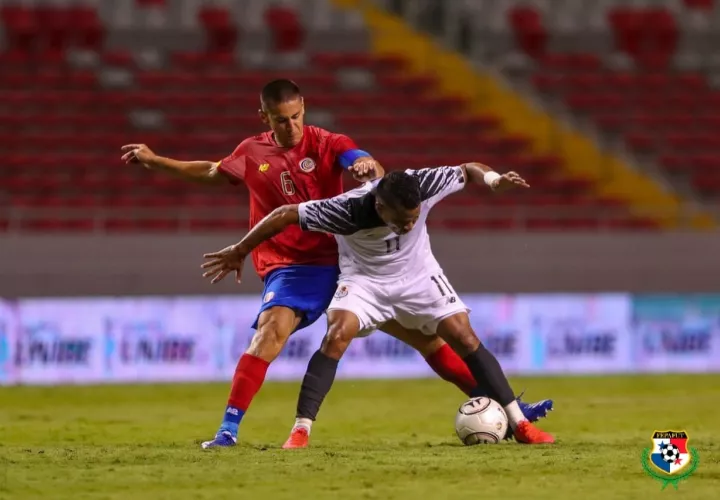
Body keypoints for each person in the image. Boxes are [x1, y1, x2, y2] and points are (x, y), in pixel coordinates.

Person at [121, 79, 552, 449]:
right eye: (279, 119)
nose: (289, 126)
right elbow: (214, 172)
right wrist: (157, 161)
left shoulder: (329, 142)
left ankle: (507, 406)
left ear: (303, 109)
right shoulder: (251, 152)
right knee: (272, 333)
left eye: (294, 116)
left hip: (349, 262)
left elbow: (367, 166)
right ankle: (229, 430)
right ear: (264, 116)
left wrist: (365, 163)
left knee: (431, 342)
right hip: (293, 265)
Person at [201, 163, 555, 446]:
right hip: (364, 281)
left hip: (418, 276)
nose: (409, 224)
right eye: (402, 221)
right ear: (381, 207)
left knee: (461, 334)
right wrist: (239, 250)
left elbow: (470, 168)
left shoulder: (423, 183)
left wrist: (493, 181)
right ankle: (301, 430)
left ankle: (520, 423)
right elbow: (283, 214)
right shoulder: (345, 210)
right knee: (337, 334)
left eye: (414, 218)